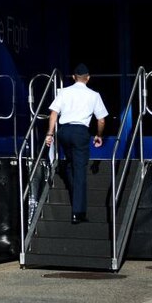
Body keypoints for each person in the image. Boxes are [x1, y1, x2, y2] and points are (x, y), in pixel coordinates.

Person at [44, 63, 108, 224]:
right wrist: (99, 135)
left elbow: (53, 113)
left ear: (73, 77)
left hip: (64, 132)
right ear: (88, 78)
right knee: (80, 171)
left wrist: (50, 134)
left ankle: (72, 183)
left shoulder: (64, 92)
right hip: (80, 133)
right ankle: (78, 213)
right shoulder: (94, 95)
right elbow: (101, 120)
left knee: (71, 163)